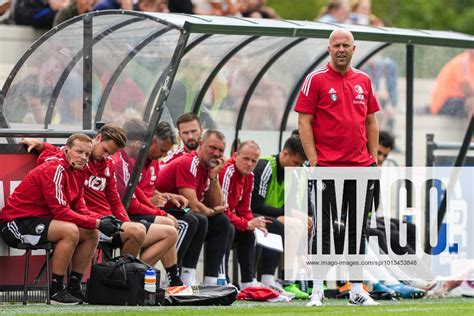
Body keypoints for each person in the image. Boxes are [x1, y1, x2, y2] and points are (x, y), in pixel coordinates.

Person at [20, 125, 183, 287]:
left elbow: (115, 200)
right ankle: (122, 281)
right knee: (138, 231)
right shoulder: (77, 158)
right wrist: (42, 145)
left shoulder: (109, 164)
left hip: (107, 220)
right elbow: (60, 153)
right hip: (91, 221)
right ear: (97, 138)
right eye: (104, 150)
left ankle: (131, 275)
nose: (105, 156)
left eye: (110, 154)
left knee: (169, 232)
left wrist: (125, 222)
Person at [295, 28, 380, 306]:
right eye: (336, 45)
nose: (341, 49)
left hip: (360, 167)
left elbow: (370, 120)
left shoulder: (364, 81)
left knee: (358, 229)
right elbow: (304, 121)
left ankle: (356, 289)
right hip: (327, 167)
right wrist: (314, 159)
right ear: (328, 49)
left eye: (346, 45)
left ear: (354, 49)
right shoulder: (315, 80)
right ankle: (317, 291)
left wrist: (372, 158)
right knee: (324, 229)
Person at [0, 134, 123, 304]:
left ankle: (73, 287)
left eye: (87, 154)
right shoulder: (54, 169)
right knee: (70, 230)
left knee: (92, 233)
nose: (83, 158)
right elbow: (60, 212)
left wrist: (104, 220)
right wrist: (99, 222)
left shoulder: (79, 172)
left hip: (42, 221)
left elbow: (80, 208)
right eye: (79, 152)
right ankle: (55, 291)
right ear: (66, 150)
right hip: (16, 224)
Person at [120, 120, 203, 285]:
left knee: (195, 221)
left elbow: (143, 191)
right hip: (130, 215)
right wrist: (159, 211)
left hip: (143, 210)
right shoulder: (126, 162)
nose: (164, 155)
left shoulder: (151, 161)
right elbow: (130, 200)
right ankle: (148, 275)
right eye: (163, 150)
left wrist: (167, 196)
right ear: (150, 142)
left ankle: (173, 278)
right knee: (177, 225)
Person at [156, 130, 233, 285]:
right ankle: (174, 277)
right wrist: (211, 211)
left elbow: (217, 204)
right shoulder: (189, 162)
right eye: (212, 148)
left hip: (182, 212)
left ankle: (211, 280)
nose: (217, 154)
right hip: (163, 210)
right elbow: (193, 204)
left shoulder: (207, 169)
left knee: (223, 223)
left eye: (220, 151)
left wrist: (214, 177)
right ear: (201, 144)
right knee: (197, 219)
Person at [251, 134, 308, 298]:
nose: (297, 167)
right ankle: (278, 279)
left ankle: (293, 278)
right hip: (254, 213)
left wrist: (293, 214)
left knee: (299, 223)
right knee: (286, 224)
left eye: (300, 165)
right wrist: (287, 213)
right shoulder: (266, 165)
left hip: (271, 215)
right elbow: (255, 205)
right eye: (296, 163)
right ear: (284, 154)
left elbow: (289, 206)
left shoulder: (293, 173)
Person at [219, 140, 268, 289]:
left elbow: (244, 208)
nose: (250, 164)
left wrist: (253, 223)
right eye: (246, 158)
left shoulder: (250, 176)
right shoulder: (228, 171)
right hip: (216, 219)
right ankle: (221, 278)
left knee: (252, 233)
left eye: (254, 161)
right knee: (227, 226)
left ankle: (248, 281)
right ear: (235, 155)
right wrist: (246, 224)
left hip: (229, 219)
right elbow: (223, 209)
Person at [430, 50, 474, 117]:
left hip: (459, 101)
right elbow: (468, 91)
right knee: (471, 101)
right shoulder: (462, 62)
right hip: (444, 104)